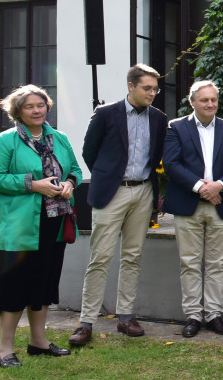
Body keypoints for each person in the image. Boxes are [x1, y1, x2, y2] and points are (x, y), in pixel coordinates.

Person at [68, 64, 168, 347]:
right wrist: (107, 177)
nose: (152, 93)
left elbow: (157, 155)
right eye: (147, 88)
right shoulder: (106, 113)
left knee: (132, 256)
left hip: (143, 192)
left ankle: (126, 317)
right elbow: (89, 151)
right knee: (100, 257)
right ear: (131, 86)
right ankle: (86, 322)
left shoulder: (159, 118)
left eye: (155, 89)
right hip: (112, 193)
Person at [0, 85, 82, 367]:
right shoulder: (6, 141)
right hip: (17, 226)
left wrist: (68, 184)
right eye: (30, 106)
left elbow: (74, 169)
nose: (37, 110)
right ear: (18, 111)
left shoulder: (59, 138)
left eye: (41, 105)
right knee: (14, 285)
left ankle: (38, 341)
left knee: (43, 283)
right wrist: (32, 184)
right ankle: (4, 349)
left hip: (53, 223)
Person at [162, 81, 223, 337]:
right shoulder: (176, 127)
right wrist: (201, 188)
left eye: (214, 100)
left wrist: (218, 186)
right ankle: (193, 316)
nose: (210, 104)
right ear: (192, 102)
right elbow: (172, 164)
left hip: (221, 205)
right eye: (204, 100)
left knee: (217, 264)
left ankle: (213, 315)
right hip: (188, 205)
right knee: (189, 262)